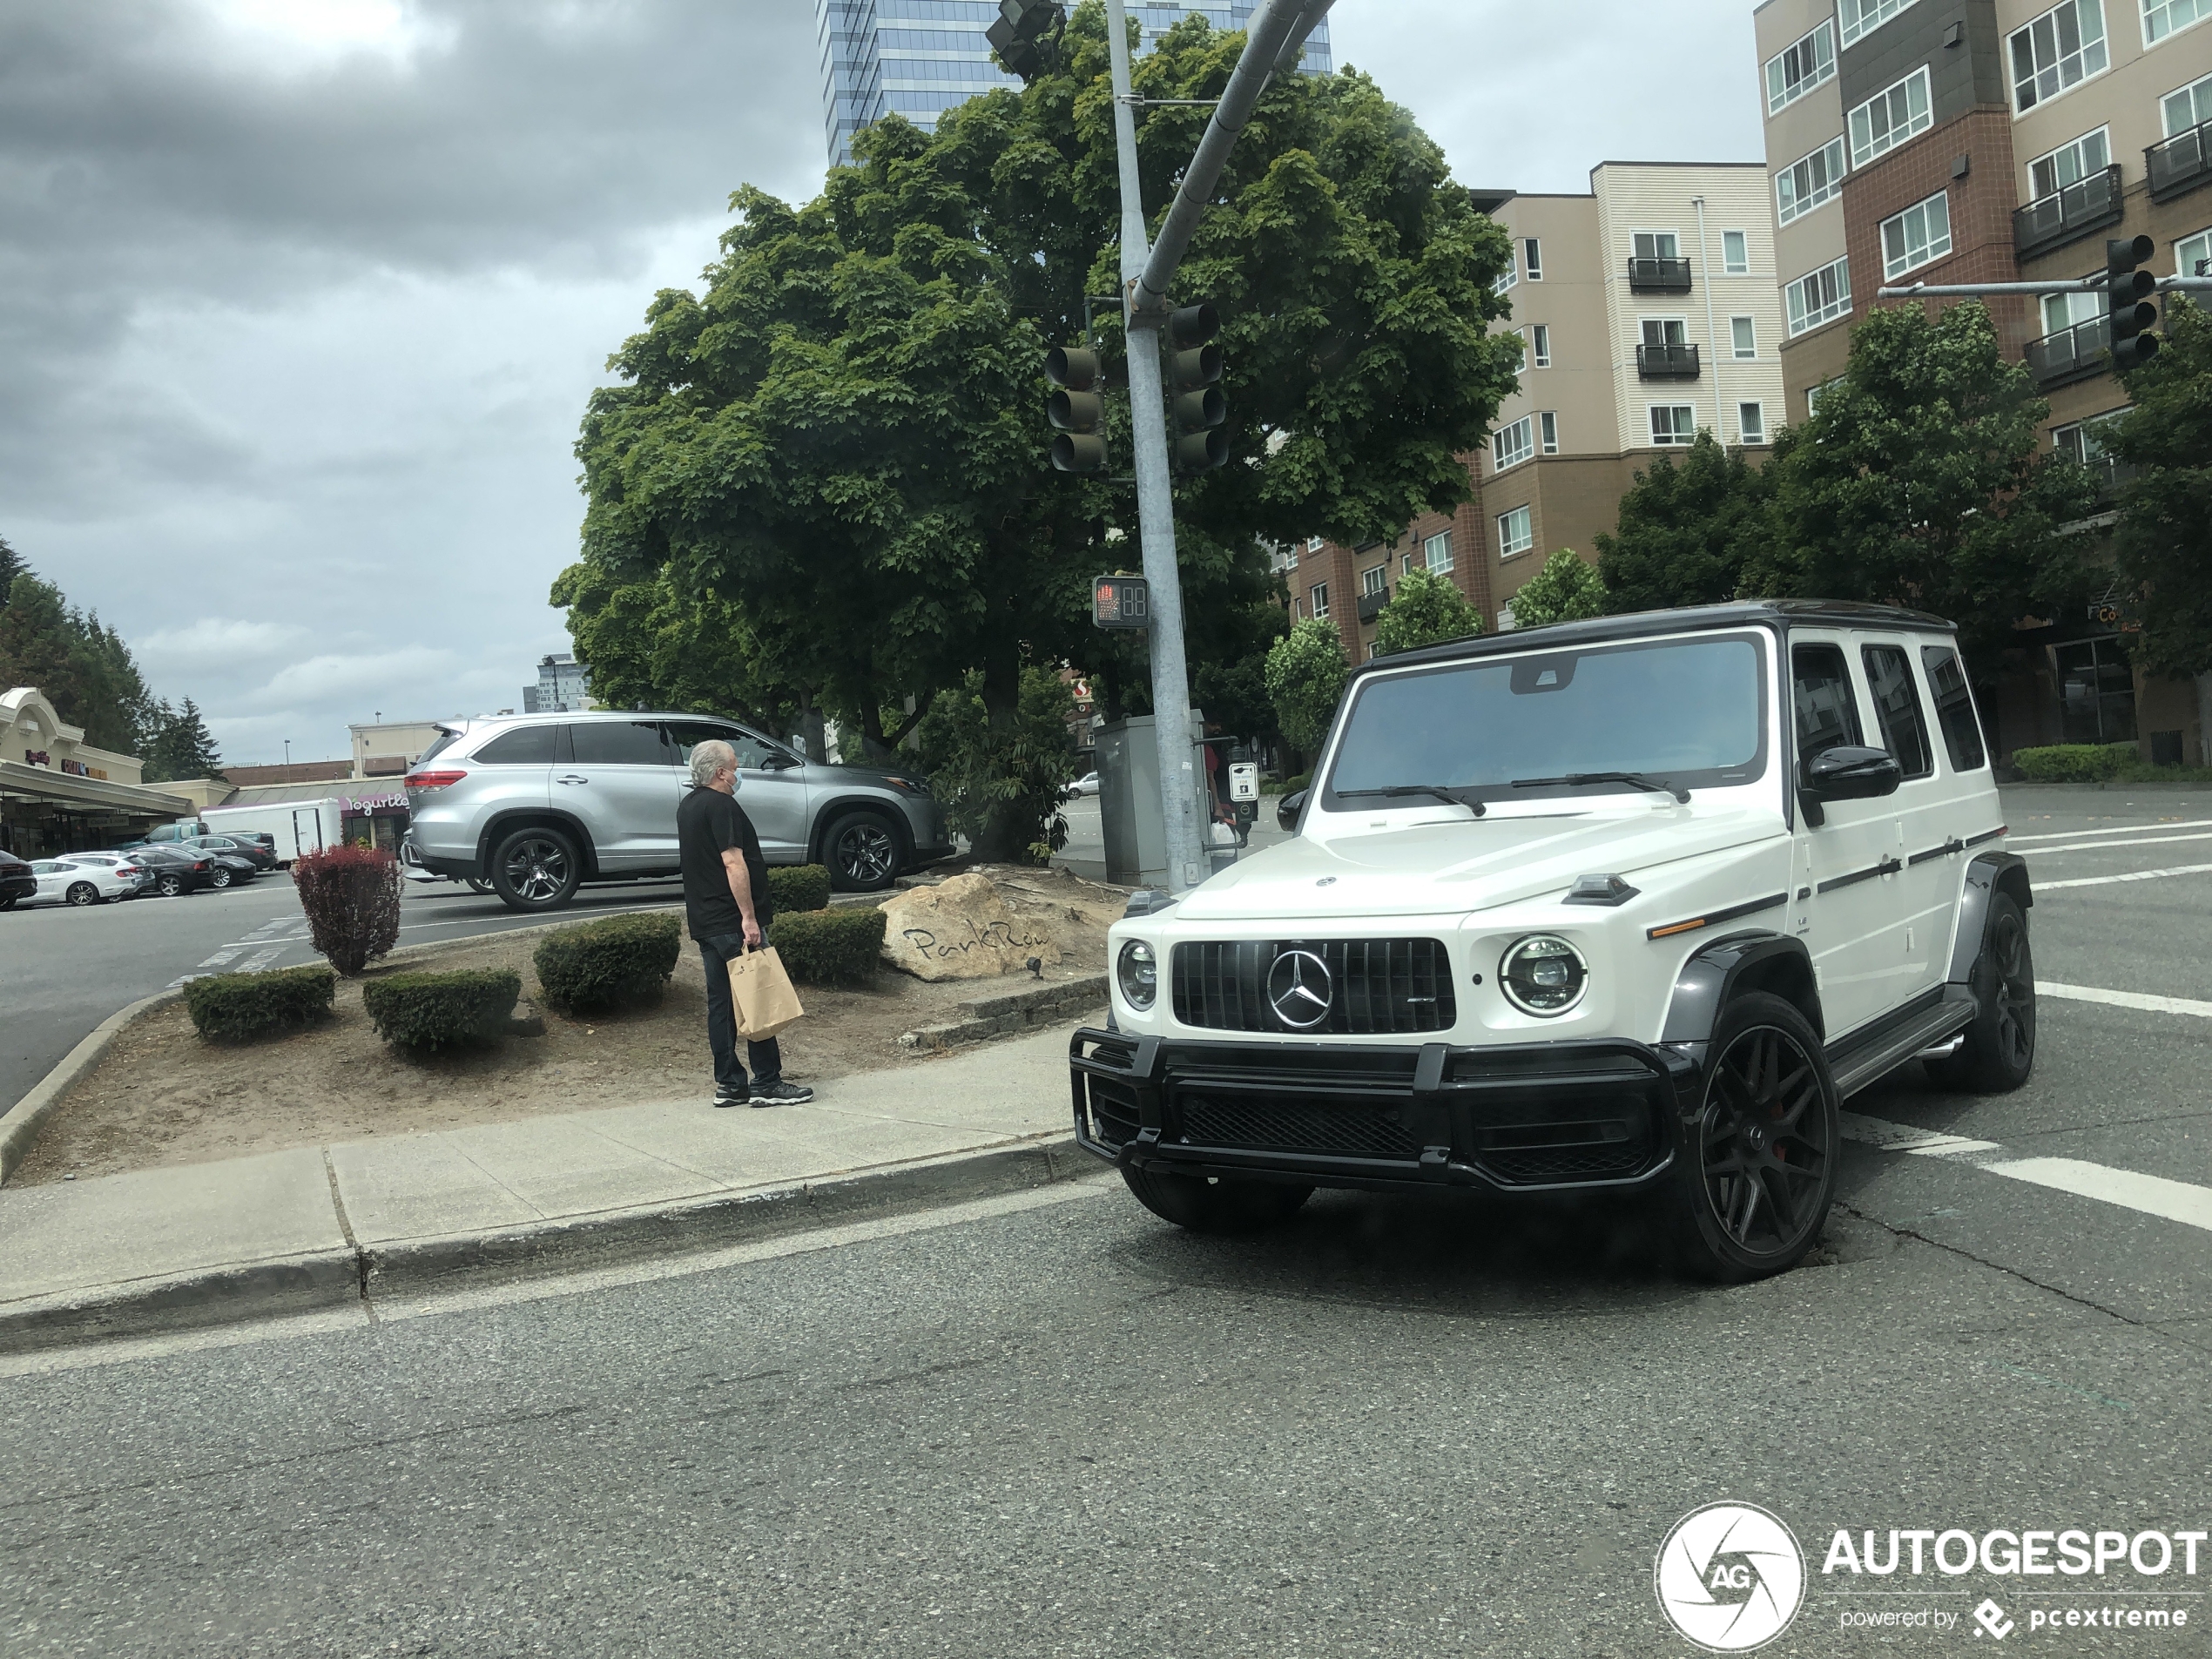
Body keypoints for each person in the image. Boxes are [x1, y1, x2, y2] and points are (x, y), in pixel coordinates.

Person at [677, 738, 813, 1109]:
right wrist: (749, 919)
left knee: (720, 1004)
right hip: (732, 921)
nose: (738, 774)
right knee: (757, 996)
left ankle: (729, 1083)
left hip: (705, 920)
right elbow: (733, 863)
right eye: (735, 767)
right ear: (721, 772)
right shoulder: (722, 805)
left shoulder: (688, 805)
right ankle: (767, 1081)